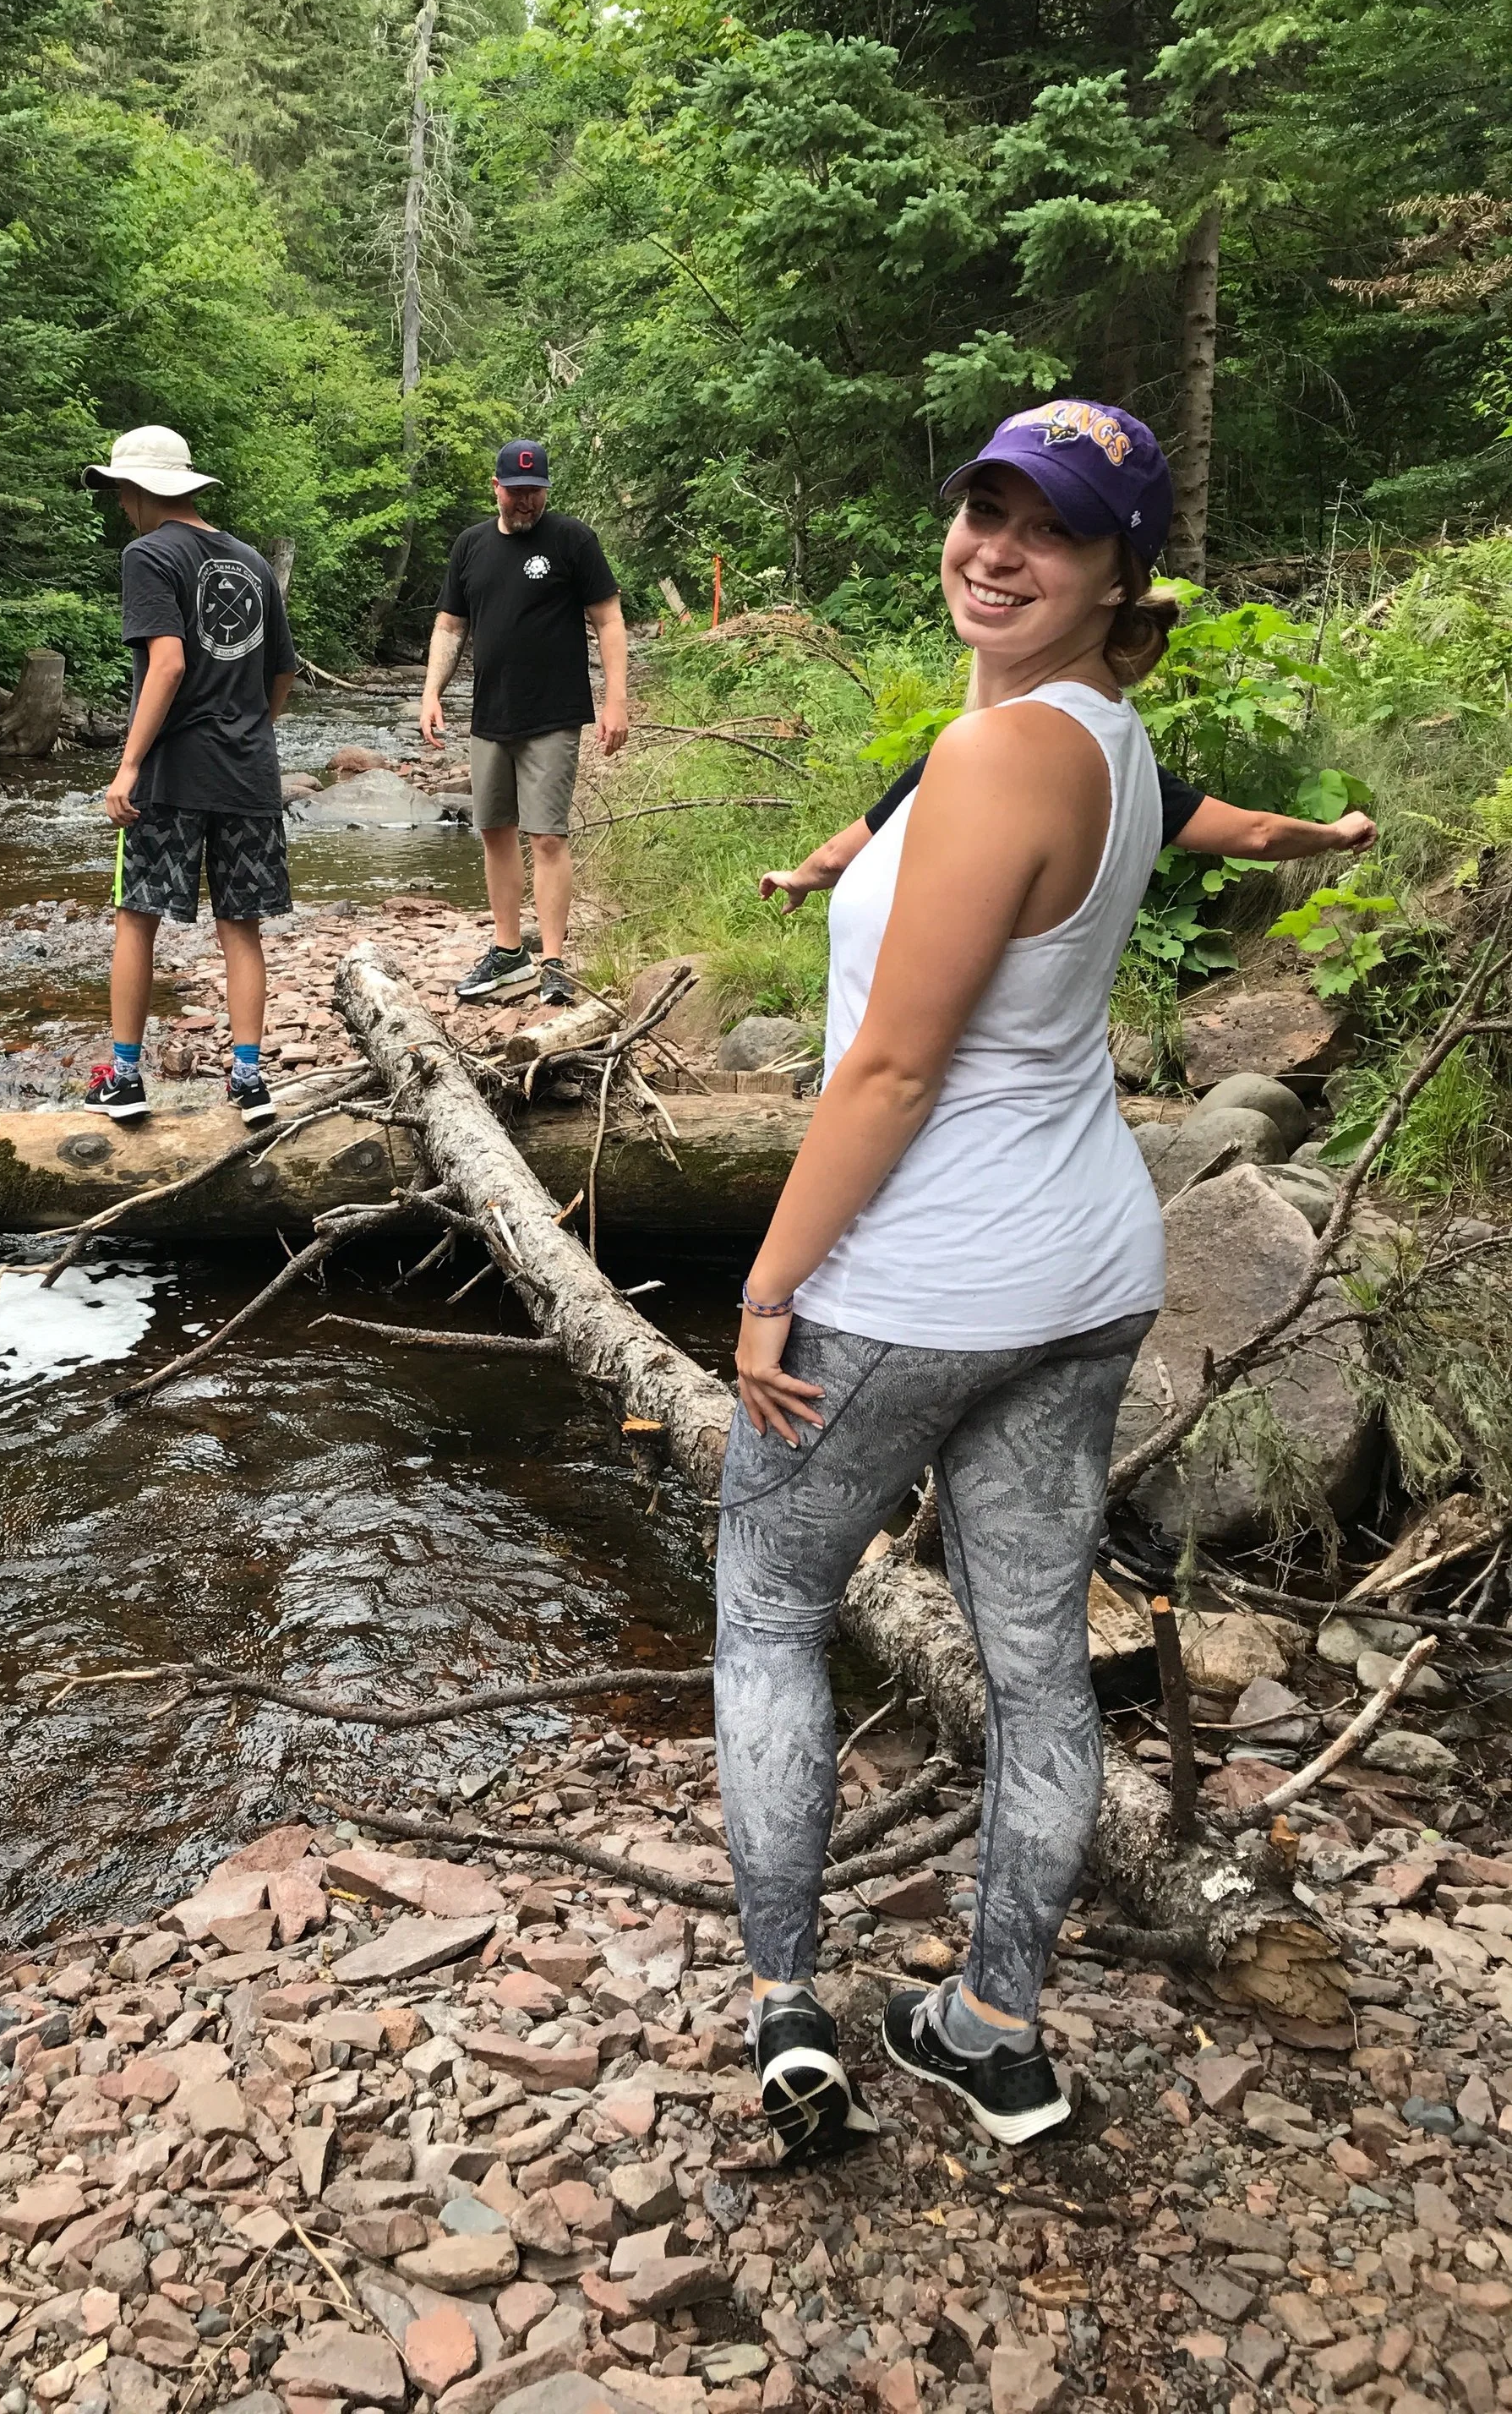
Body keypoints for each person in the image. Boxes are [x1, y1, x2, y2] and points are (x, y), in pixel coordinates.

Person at [716, 398, 1193, 2167]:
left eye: (1045, 530)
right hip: (1082, 1266)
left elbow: (893, 1070)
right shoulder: (1103, 734)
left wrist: (770, 1282)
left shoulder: (999, 757)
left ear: (1113, 571)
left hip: (916, 1278)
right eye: (977, 509)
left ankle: (784, 2007)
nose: (991, 549)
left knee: (768, 1599)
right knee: (1034, 1660)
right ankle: (989, 2030)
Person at [79, 424, 296, 1128]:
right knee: (242, 927)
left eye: (120, 492)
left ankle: (126, 1077)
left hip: (171, 772)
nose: (120, 507)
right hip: (249, 775)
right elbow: (283, 672)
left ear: (141, 490)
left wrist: (129, 763)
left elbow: (167, 665)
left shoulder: (147, 554)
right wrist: (251, 731)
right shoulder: (252, 562)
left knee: (135, 919)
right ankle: (249, 1079)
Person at [421, 440, 630, 1008]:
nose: (526, 502)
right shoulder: (471, 545)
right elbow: (449, 626)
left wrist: (617, 700)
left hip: (554, 714)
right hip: (491, 714)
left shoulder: (571, 540)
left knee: (547, 835)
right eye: (517, 491)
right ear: (496, 487)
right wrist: (431, 692)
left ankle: (555, 961)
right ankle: (509, 951)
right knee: (493, 830)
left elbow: (609, 621)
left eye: (535, 492)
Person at [761, 750, 1376, 909]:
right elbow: (1258, 836)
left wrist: (797, 878)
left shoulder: (955, 759)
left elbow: (844, 855)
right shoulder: (1118, 767)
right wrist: (1335, 831)